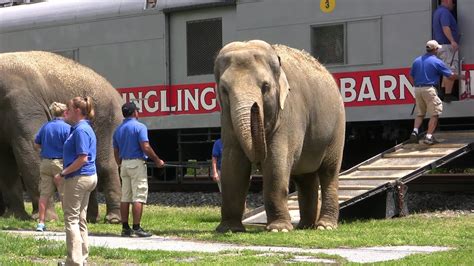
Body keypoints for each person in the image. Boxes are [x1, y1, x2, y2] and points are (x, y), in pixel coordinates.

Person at [54, 97, 97, 265]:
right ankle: (82, 257)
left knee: (71, 219)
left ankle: (74, 261)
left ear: (78, 111)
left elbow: (82, 158)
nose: (66, 112)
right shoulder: (83, 128)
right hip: (88, 177)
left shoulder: (80, 130)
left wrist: (63, 173)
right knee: (80, 219)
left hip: (79, 177)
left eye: (69, 109)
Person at [113, 102, 165, 238]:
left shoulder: (118, 130)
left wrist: (119, 163)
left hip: (124, 164)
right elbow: (145, 146)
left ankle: (125, 228)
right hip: (137, 163)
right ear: (134, 112)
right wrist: (157, 160)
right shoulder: (140, 127)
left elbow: (116, 150)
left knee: (125, 197)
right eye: (137, 110)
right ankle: (137, 227)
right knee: (138, 196)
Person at [409, 40, 457, 145]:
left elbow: (411, 76)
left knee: (420, 113)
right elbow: (450, 75)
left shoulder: (416, 60)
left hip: (417, 89)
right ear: (435, 50)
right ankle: (429, 137)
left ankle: (415, 131)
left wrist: (416, 85)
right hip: (429, 89)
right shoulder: (436, 61)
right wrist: (458, 76)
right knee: (435, 114)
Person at [34, 102, 71, 232]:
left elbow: (36, 144)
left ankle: (41, 222)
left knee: (44, 194)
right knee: (64, 194)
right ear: (64, 113)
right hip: (60, 163)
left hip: (45, 163)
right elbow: (71, 147)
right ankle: (69, 223)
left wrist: (44, 150)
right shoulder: (67, 128)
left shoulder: (45, 127)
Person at [433, 0, 460, 102]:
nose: (453, 5)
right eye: (453, 2)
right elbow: (445, 27)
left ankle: (443, 93)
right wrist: (452, 41)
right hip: (447, 46)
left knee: (445, 70)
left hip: (441, 46)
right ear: (447, 1)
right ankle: (448, 95)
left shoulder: (437, 12)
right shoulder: (444, 12)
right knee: (450, 70)